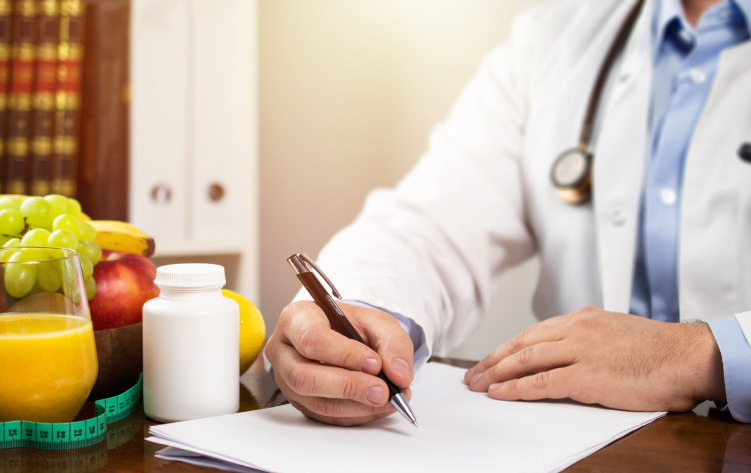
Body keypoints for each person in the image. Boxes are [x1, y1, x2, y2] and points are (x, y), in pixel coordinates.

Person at [264, 0, 751, 427]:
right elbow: (435, 224)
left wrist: (702, 356)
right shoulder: (554, 40)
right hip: (585, 470)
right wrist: (364, 317)